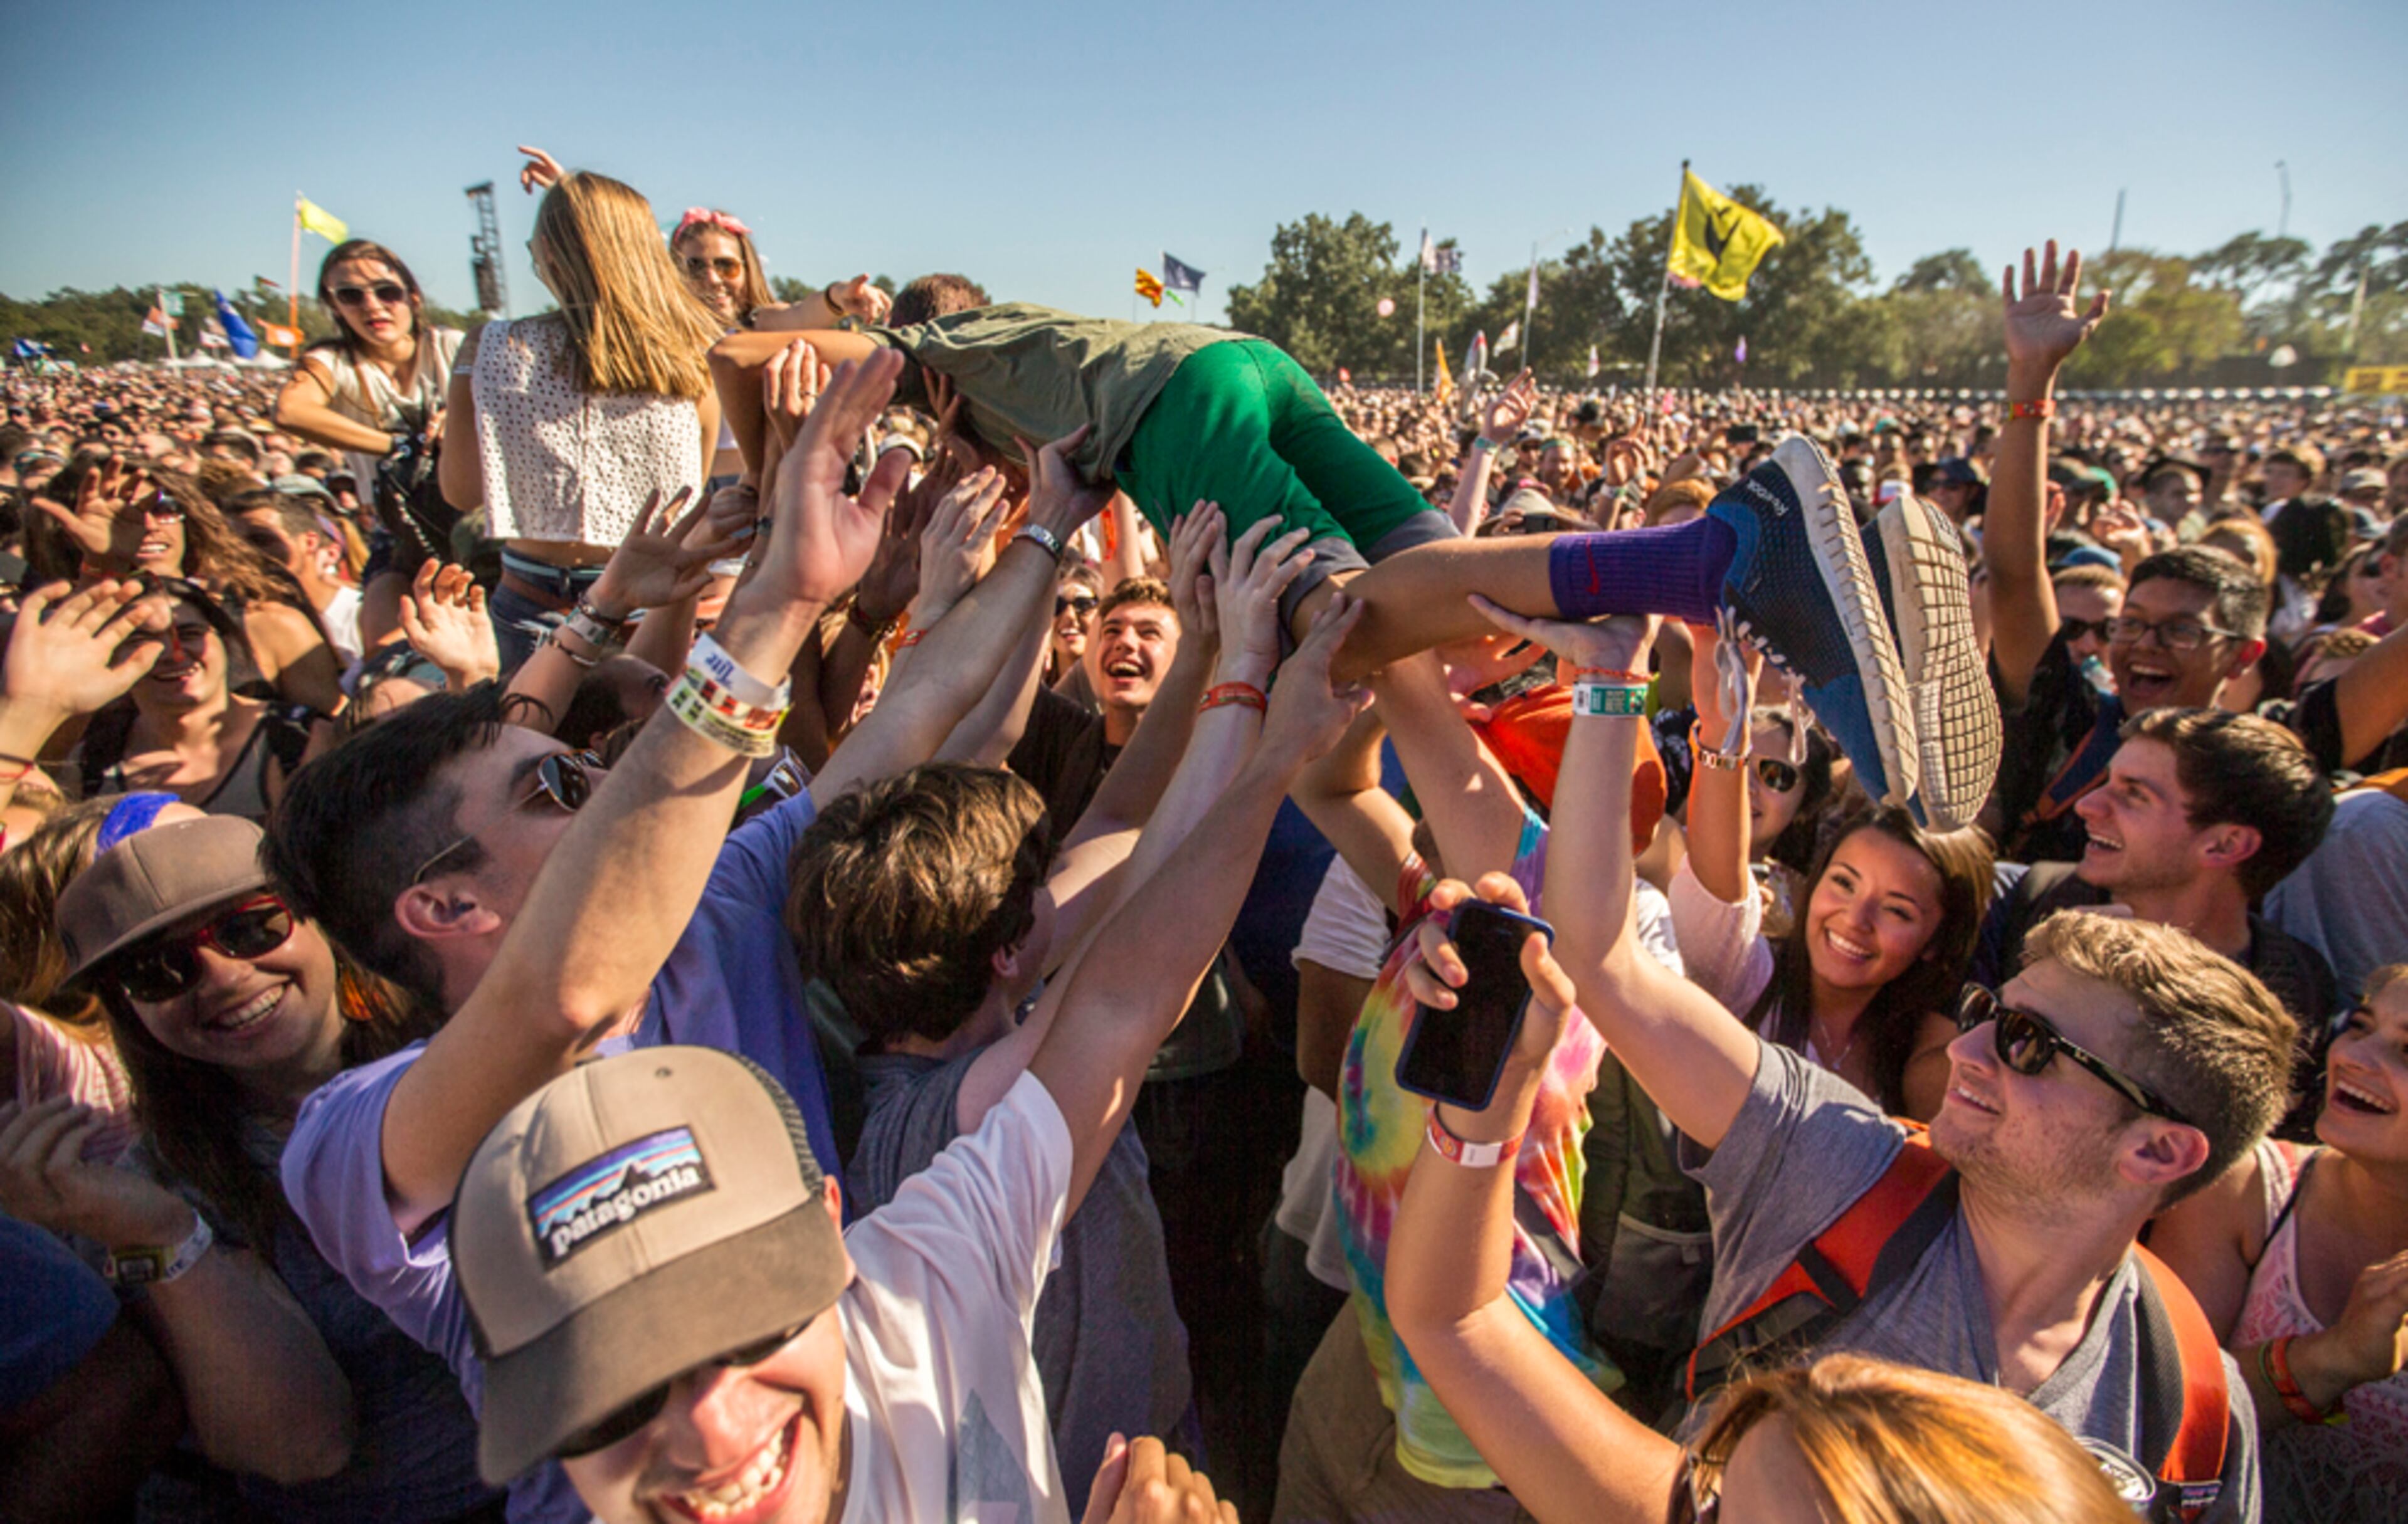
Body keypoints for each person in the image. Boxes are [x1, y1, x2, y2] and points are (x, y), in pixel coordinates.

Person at [268, 354, 1114, 1521]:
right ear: (447, 908)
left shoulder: (720, 901)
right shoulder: (356, 1144)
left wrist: (1053, 530)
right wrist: (769, 617)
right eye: (560, 791)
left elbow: (923, 707)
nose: (611, 786)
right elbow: (564, 995)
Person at [437, 495, 1368, 1521]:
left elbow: (1121, 839)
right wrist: (1245, 698)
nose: (708, 1417)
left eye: (742, 1327)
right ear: (1017, 947)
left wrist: (1211, 666)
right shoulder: (966, 1127)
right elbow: (1138, 971)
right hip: (1091, 1468)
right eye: (613, 1394)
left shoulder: (919, 1155)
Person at [1420, 603, 2286, 1521]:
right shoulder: (1839, 1162)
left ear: (2158, 1152)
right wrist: (1610, 676)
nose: (1970, 1047)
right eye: (1993, 1013)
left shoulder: (2190, 1407)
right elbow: (1603, 957)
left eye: (2031, 1044)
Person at [709, 311, 1995, 831]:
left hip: (1180, 407)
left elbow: (740, 348)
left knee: (1342, 621)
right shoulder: (1000, 370)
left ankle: (1722, 553)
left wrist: (775, 381)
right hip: (1248, 368)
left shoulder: (912, 347)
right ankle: (1837, 579)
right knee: (1433, 564)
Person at [6, 814, 497, 1521]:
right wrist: (166, 1236)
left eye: (250, 926)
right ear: (127, 1010)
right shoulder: (145, 1193)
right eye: (159, 971)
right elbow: (302, 1447)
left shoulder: (469, 1034)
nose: (224, 976)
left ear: (318, 919)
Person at [1674, 623, 1992, 1120]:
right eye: (1843, 883)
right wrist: (1721, 735)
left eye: (1896, 910)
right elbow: (1719, 887)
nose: (1854, 919)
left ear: (1936, 940)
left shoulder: (1925, 1060)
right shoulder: (1749, 978)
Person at [1974, 707, 2338, 1134]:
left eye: (2134, 794)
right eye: (2108, 781)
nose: (2088, 805)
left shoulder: (2295, 988)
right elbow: (1930, 1077)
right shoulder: (2028, 898)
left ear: (2226, 843)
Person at [438, 166, 725, 671]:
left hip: (536, 594)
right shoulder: (696, 356)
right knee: (632, 750)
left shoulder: (489, 348)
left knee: (533, 745)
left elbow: (462, 492)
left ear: (548, 249)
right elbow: (688, 494)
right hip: (652, 602)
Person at [2150, 965, 2408, 1523]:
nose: (2356, 1057)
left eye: (2407, 1052)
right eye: (2361, 1026)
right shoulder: (2245, 1189)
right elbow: (2153, 1418)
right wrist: (2333, 1358)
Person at [25, 456, 347, 712]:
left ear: (189, 515)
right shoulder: (41, 643)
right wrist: (102, 566)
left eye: (164, 508)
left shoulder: (269, 623)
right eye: (120, 514)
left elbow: (336, 740)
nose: (147, 526)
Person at [270, 241, 465, 648]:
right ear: (334, 307)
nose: (372, 306)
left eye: (386, 291)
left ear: (413, 296)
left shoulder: (452, 346)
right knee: (386, 648)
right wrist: (398, 445)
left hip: (474, 522)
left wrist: (463, 419)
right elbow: (291, 410)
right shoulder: (334, 361)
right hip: (398, 532)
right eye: (351, 296)